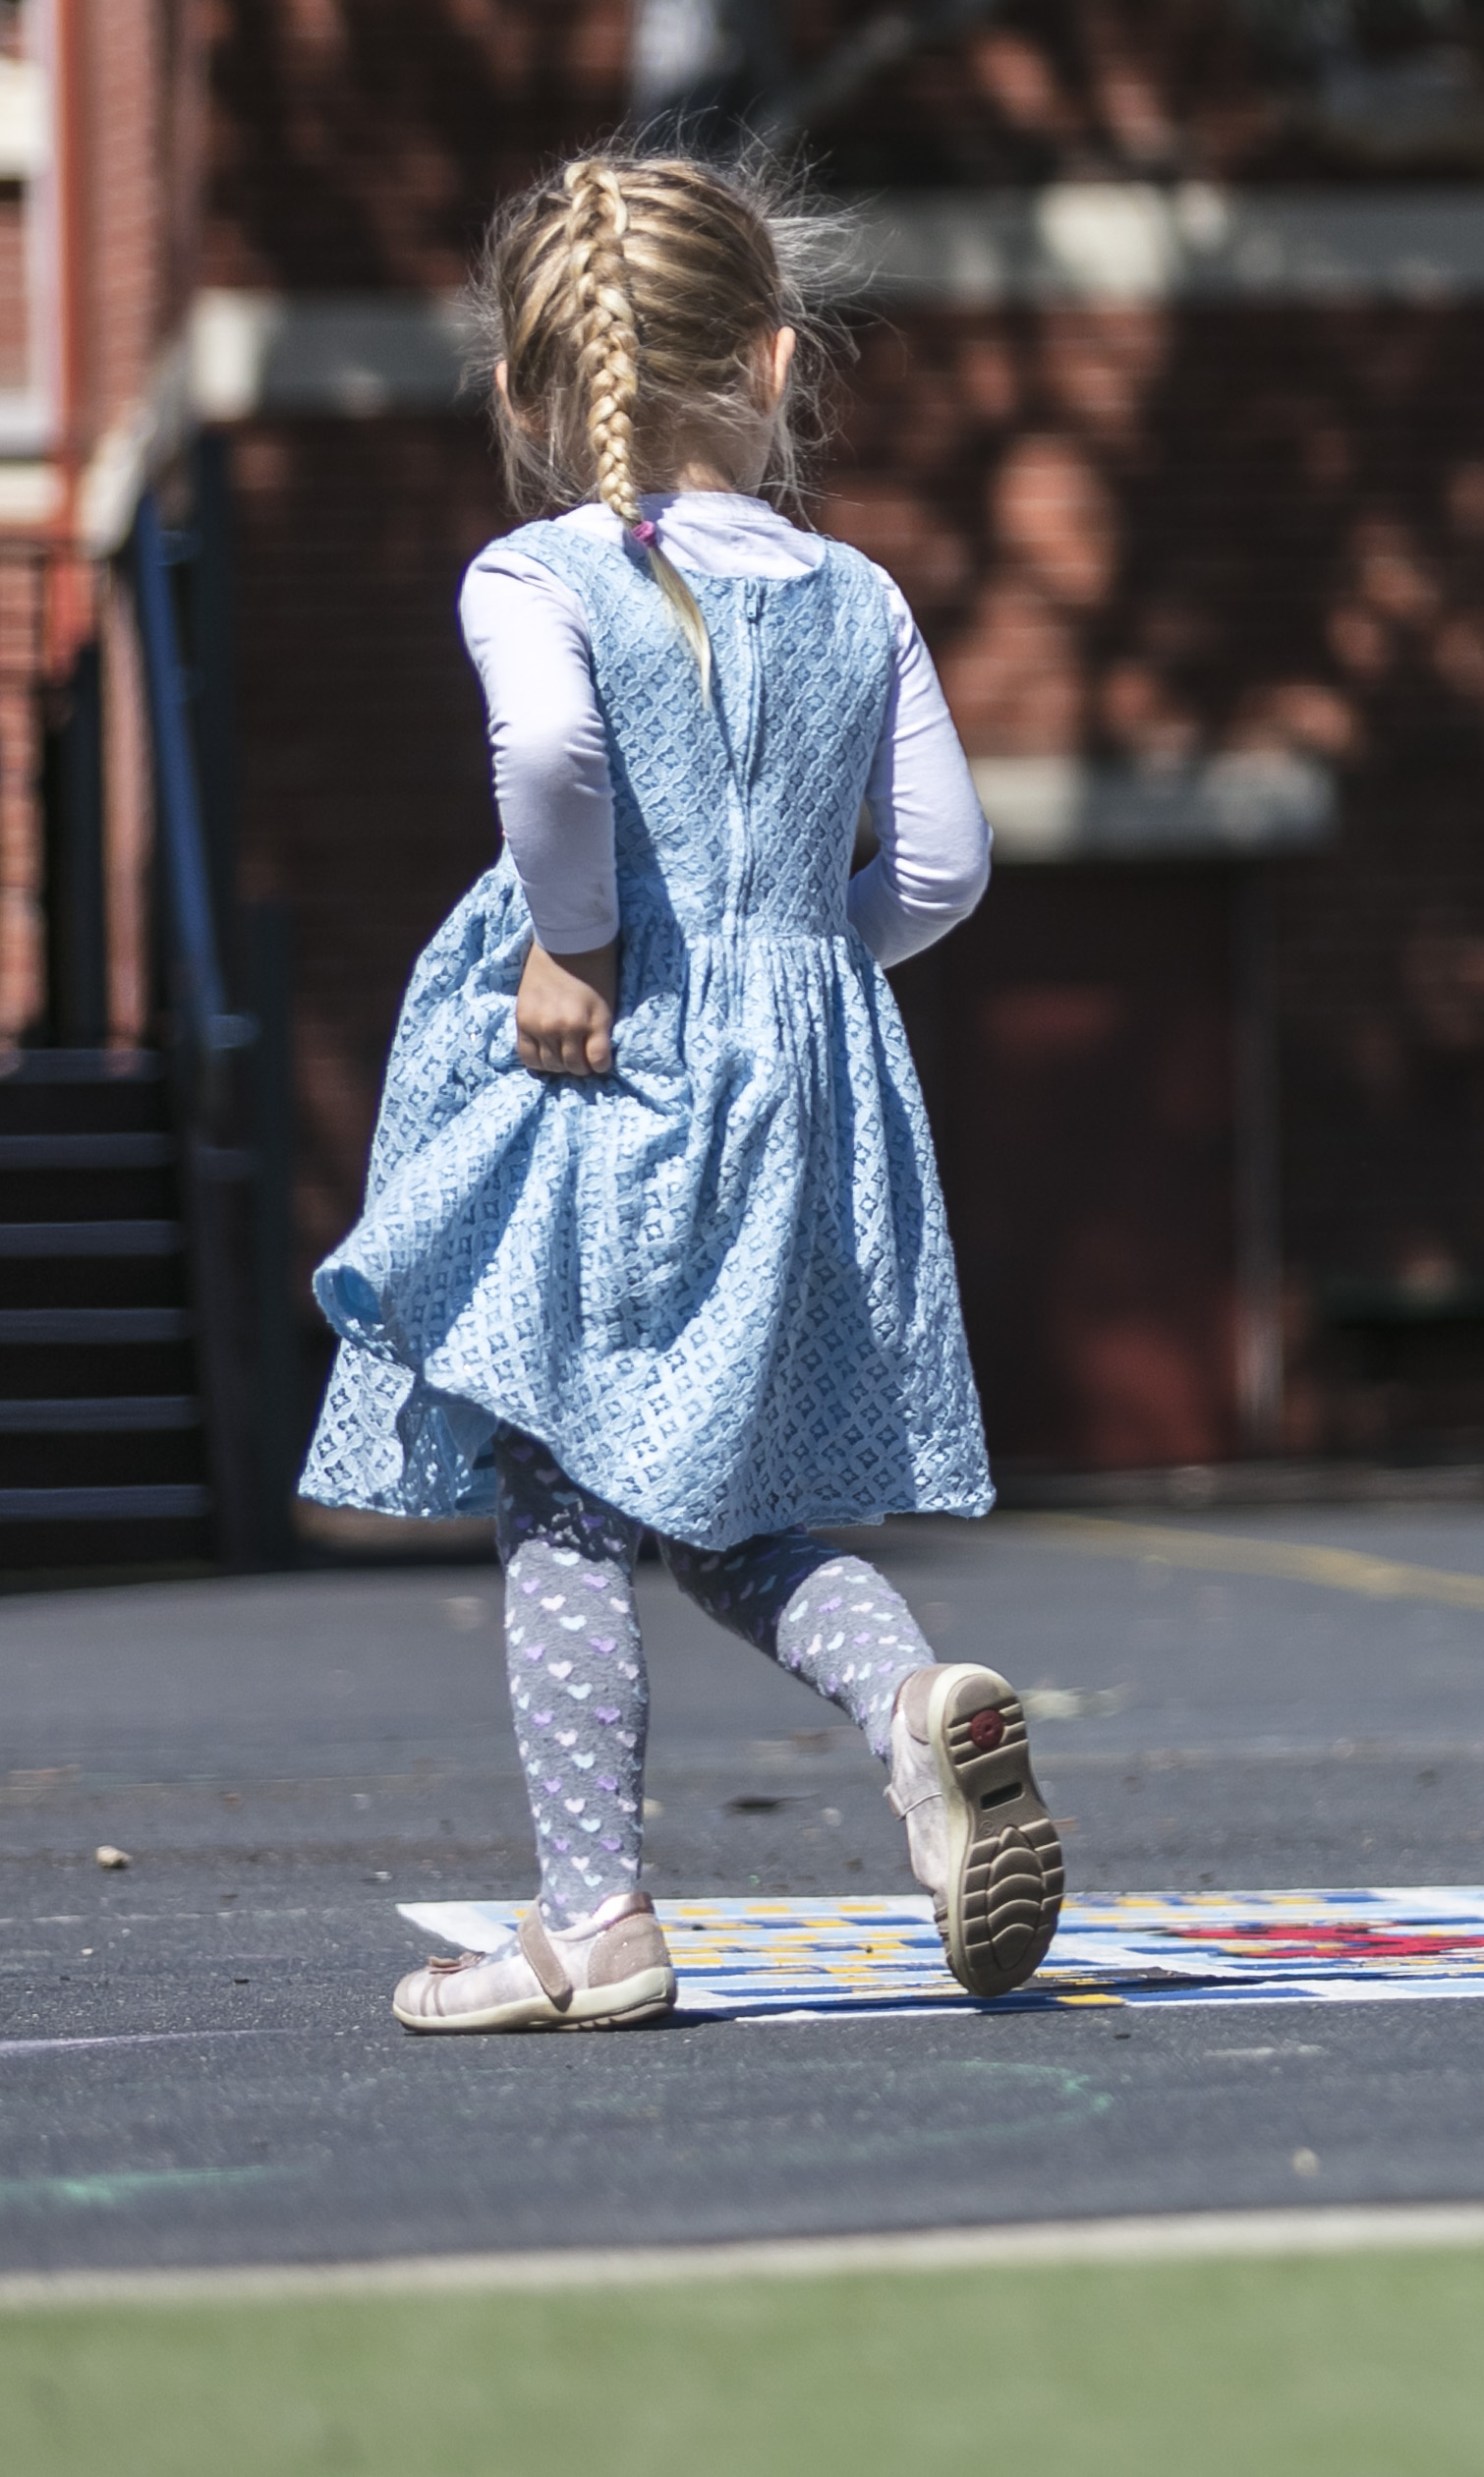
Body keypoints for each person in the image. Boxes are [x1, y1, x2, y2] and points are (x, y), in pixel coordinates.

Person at [302, 146, 1056, 2030]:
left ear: (520, 393)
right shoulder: (861, 592)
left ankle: (600, 1920)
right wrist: (795, 974)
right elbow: (947, 871)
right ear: (781, 363)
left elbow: (555, 746)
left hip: (611, 1073)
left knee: (561, 1493)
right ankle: (909, 1708)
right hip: (803, 1087)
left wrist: (583, 940)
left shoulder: (537, 569)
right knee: (710, 1503)